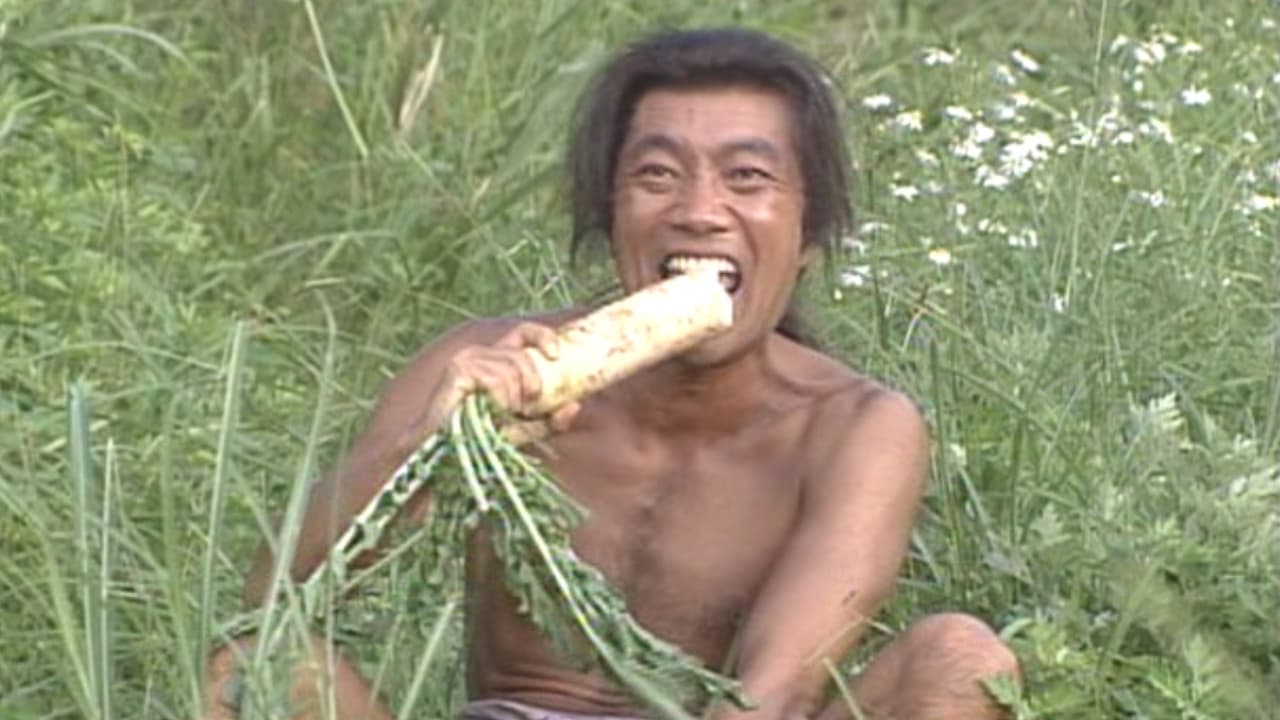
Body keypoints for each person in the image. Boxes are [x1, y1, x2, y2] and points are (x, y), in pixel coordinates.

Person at [203, 27, 1019, 720]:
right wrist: (432, 450)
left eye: (747, 177)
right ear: (611, 215)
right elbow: (272, 597)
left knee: (960, 659)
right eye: (657, 174)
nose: (699, 210)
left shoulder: (853, 428)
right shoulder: (484, 367)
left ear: (807, 234)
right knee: (258, 661)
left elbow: (773, 693)